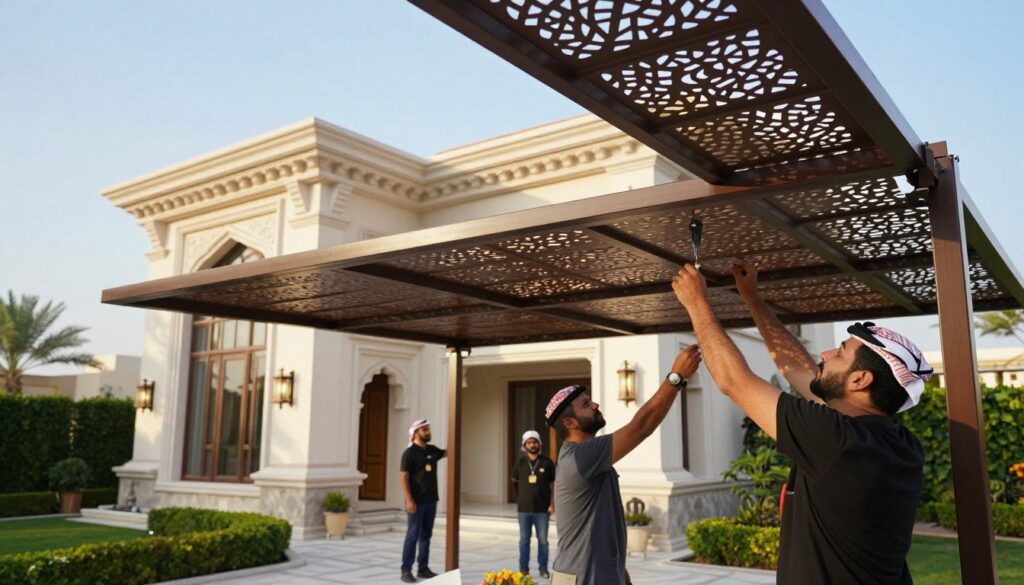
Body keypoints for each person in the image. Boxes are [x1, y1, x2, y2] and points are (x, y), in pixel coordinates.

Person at [671, 260, 933, 585]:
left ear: (861, 380)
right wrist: (752, 297)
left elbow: (733, 381)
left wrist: (696, 303)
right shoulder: (893, 443)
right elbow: (800, 368)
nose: (824, 353)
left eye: (839, 352)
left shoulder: (840, 443)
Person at [545, 345, 702, 585]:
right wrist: (675, 378)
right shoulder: (581, 456)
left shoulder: (587, 456)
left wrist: (619, 571)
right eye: (586, 405)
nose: (595, 405)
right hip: (584, 578)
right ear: (569, 422)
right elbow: (641, 427)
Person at [399, 419, 446, 583]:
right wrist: (409, 499)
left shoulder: (432, 451)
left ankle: (423, 568)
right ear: (416, 433)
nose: (428, 432)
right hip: (416, 503)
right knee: (412, 536)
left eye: (428, 429)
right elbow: (403, 477)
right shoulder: (409, 453)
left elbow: (448, 452)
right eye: (424, 429)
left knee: (426, 535)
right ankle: (406, 570)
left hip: (431, 501)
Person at [511, 430, 556, 578]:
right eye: (529, 442)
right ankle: (524, 569)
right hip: (523, 510)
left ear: (539, 444)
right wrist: (521, 497)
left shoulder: (547, 462)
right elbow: (514, 481)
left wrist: (552, 504)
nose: (532, 445)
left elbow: (552, 485)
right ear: (525, 445)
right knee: (524, 541)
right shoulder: (520, 462)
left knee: (543, 541)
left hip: (542, 510)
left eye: (535, 442)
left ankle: (543, 569)